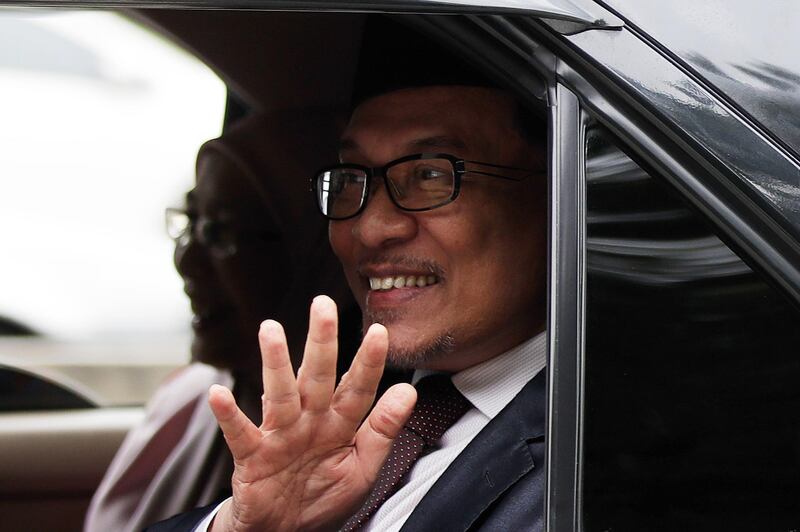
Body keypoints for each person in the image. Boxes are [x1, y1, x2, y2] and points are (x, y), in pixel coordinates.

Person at [149, 17, 549, 532]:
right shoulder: (326, 407)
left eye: (430, 175)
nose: (368, 226)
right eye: (351, 178)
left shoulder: (604, 452)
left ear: (554, 199)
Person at [85, 110, 361, 532]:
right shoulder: (185, 405)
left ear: (310, 253)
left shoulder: (378, 444)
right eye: (189, 223)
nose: (186, 261)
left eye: (220, 233)